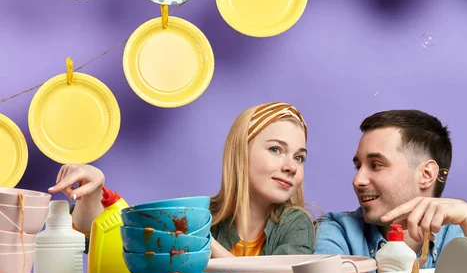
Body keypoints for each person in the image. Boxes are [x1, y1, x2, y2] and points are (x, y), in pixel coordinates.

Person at [49, 102, 314, 257]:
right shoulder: (201, 215)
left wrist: (201, 245)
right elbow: (110, 240)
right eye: (276, 150)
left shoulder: (296, 223)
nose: (291, 166)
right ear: (240, 155)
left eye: (299, 157)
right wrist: (92, 193)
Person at [313, 110, 467, 268]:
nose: (357, 181)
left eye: (376, 165)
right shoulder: (338, 231)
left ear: (426, 175)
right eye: (358, 167)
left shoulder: (464, 236)